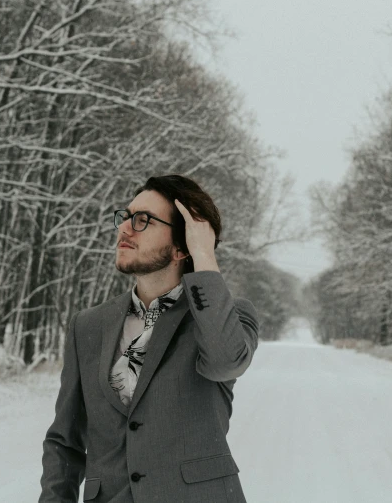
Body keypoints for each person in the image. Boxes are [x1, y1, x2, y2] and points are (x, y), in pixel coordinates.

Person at [39, 175, 259, 502]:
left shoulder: (225, 316)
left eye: (143, 220)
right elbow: (64, 442)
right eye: (125, 217)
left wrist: (204, 257)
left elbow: (226, 362)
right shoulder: (87, 325)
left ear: (181, 246)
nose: (125, 228)